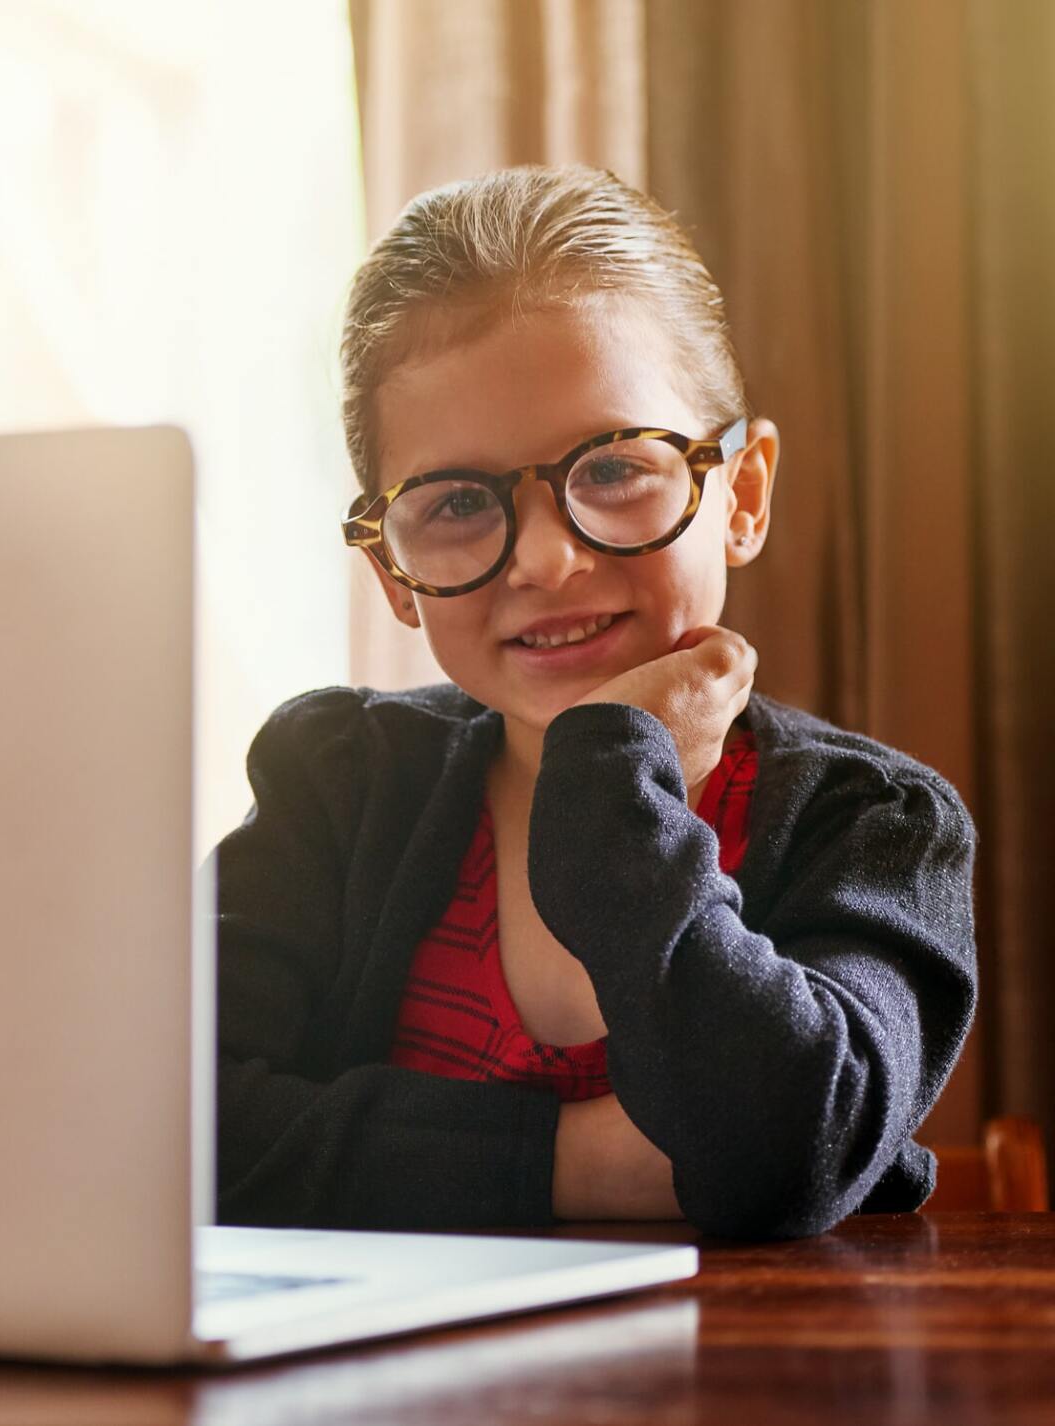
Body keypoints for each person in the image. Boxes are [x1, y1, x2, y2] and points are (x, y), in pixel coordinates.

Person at [213, 165, 977, 1240]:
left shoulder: (873, 823)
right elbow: (170, 1126)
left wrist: (606, 779)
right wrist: (573, 1162)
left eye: (615, 469)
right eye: (460, 502)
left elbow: (784, 1149)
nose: (549, 560)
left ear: (743, 495)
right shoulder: (336, 782)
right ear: (390, 568)